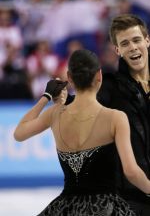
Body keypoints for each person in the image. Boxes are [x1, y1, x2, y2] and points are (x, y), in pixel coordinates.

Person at [14, 49, 150, 216]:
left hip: (66, 208)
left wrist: (46, 96)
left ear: (69, 78)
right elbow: (131, 172)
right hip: (106, 208)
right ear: (99, 75)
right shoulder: (116, 118)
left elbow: (19, 133)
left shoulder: (55, 113)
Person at [62, 14, 150, 215]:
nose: (133, 47)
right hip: (131, 201)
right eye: (125, 43)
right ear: (118, 50)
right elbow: (83, 107)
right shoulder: (111, 88)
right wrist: (64, 100)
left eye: (137, 40)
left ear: (147, 40)